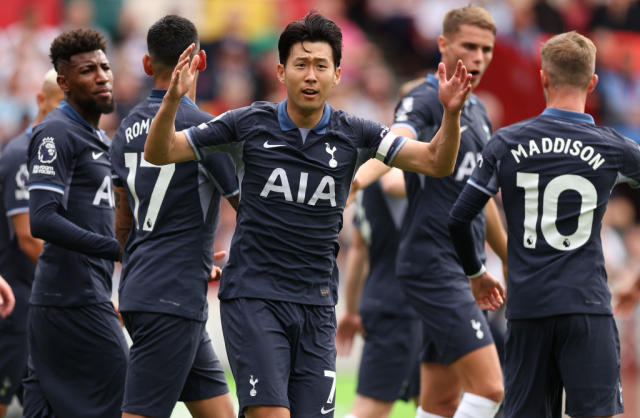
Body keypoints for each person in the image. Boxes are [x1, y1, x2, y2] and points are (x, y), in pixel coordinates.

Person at [144, 10, 472, 418]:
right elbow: (158, 153)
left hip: (317, 305)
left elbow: (436, 162)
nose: (311, 75)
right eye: (301, 64)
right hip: (254, 296)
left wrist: (452, 114)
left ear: (337, 74)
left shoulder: (356, 133)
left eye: (321, 65)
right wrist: (173, 99)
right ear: (281, 72)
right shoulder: (247, 123)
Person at [448, 31, 632, 418]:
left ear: (543, 77)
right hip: (587, 306)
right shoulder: (612, 146)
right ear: (593, 82)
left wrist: (476, 272)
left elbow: (460, 217)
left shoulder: (506, 142)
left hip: (529, 309)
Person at [351, 7, 507, 418]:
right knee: (491, 388)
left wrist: (514, 259)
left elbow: (482, 198)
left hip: (460, 268)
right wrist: (356, 180)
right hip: (433, 264)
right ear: (443, 45)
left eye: (486, 49)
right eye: (469, 46)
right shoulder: (424, 97)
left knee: (440, 401)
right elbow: (396, 142)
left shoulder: (479, 111)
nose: (478, 57)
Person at [110, 15, 238, 418]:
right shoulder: (205, 131)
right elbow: (248, 209)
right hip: (171, 297)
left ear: (147, 66)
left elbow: (123, 222)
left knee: (219, 411)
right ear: (200, 61)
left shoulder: (124, 129)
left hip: (146, 288)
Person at [23, 28, 128, 418]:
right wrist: (114, 249)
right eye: (88, 70)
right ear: (64, 82)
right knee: (125, 397)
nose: (102, 76)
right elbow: (42, 218)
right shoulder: (56, 132)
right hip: (69, 300)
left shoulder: (99, 137)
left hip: (82, 295)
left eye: (105, 66)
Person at [0, 68, 62, 418]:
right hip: (15, 300)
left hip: (37, 299)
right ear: (40, 101)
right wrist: (73, 282)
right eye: (60, 105)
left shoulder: (54, 153)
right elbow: (27, 239)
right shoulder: (22, 154)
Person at [336, 172, 421, 418]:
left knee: (437, 404)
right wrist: (452, 178)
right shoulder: (400, 168)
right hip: (399, 306)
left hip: (401, 302)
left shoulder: (368, 176)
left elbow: (359, 251)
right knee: (371, 409)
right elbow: (392, 182)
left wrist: (351, 311)